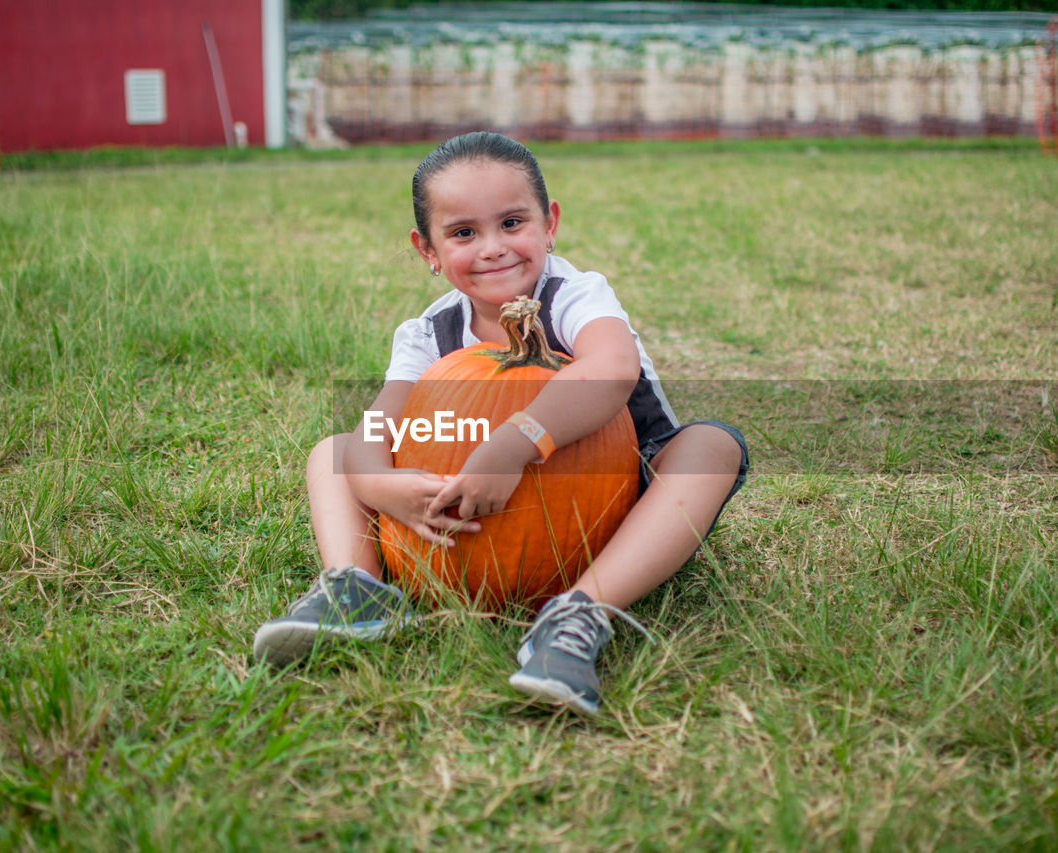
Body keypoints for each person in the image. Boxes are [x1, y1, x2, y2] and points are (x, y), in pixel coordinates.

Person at [253, 131, 748, 715]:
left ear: (549, 223)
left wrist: (516, 442)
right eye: (464, 233)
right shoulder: (428, 334)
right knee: (335, 451)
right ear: (428, 251)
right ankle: (356, 589)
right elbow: (374, 435)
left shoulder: (573, 296)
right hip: (473, 517)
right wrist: (382, 487)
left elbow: (613, 369)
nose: (493, 248)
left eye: (512, 223)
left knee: (712, 446)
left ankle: (580, 611)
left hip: (615, 504)